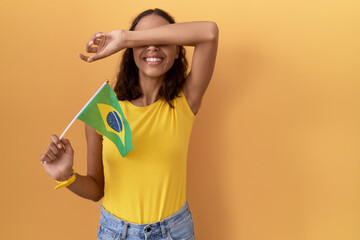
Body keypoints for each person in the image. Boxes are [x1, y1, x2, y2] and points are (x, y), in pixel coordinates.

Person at [40, 8, 218, 240]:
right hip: (116, 232)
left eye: (163, 38)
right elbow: (96, 190)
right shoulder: (104, 111)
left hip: (174, 232)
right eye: (144, 39)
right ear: (131, 52)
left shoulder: (186, 101)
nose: (152, 46)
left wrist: (125, 38)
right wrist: (66, 176)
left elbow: (210, 32)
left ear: (177, 50)